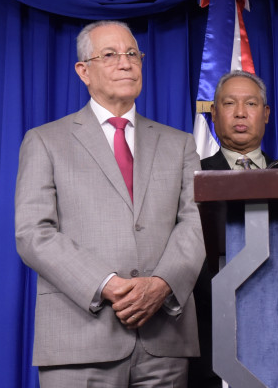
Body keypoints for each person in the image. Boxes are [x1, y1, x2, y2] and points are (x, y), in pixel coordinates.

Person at [15, 20, 205, 387]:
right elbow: (33, 233)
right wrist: (106, 284)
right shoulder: (45, 141)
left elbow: (196, 221)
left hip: (165, 338)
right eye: (110, 54)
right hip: (79, 339)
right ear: (83, 71)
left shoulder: (179, 143)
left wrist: (162, 283)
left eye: (132, 53)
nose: (125, 62)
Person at [189, 70, 278, 388]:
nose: (241, 113)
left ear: (266, 113)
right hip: (211, 336)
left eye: (251, 103)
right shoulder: (192, 178)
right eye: (230, 103)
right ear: (214, 113)